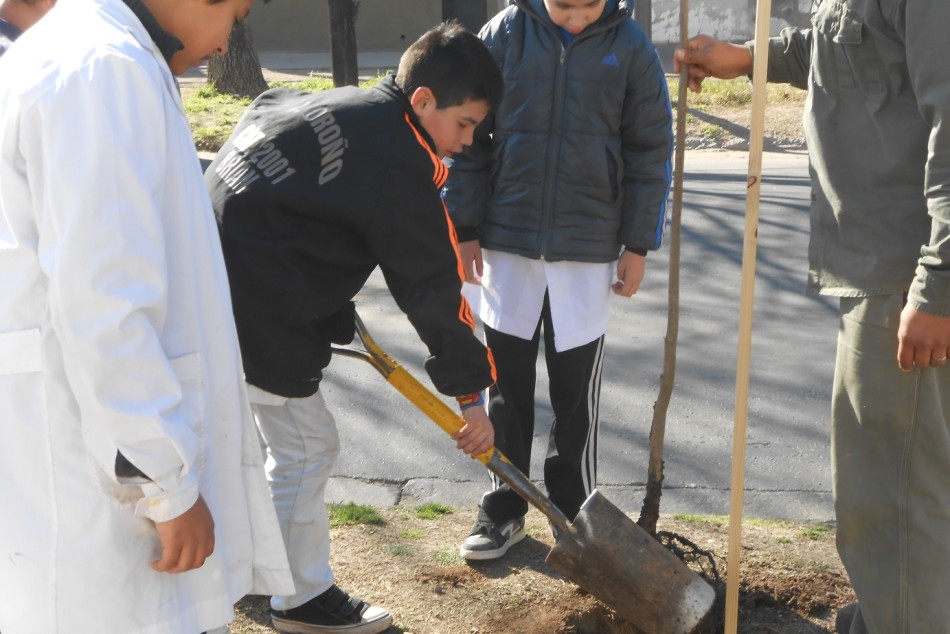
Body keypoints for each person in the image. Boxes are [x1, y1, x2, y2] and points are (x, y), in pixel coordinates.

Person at [0, 0, 295, 632]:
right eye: (236, 16)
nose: (226, 43)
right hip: (93, 478)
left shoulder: (83, 49)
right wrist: (167, 485)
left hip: (67, 446)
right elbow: (105, 304)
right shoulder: (103, 69)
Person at [206, 21, 504, 634]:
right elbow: (432, 287)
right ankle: (296, 597)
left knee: (261, 446)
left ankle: (256, 576)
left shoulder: (349, 104)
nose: (468, 142)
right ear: (423, 102)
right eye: (465, 124)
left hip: (212, 279)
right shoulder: (400, 160)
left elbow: (269, 118)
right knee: (306, 445)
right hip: (258, 299)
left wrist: (320, 278)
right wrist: (472, 397)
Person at [674, 4, 950, 632]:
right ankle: (888, 614)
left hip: (905, 274)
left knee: (894, 494)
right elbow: (848, 52)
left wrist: (938, 283)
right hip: (879, 270)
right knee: (893, 481)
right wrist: (748, 57)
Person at [441, 0, 673, 561]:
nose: (575, 18)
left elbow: (649, 149)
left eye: (588, 6)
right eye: (564, 6)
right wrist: (465, 225)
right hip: (507, 239)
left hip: (588, 247)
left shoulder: (631, 46)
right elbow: (469, 139)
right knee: (507, 386)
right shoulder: (505, 34)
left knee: (574, 391)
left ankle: (574, 506)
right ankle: (505, 505)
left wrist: (637, 244)